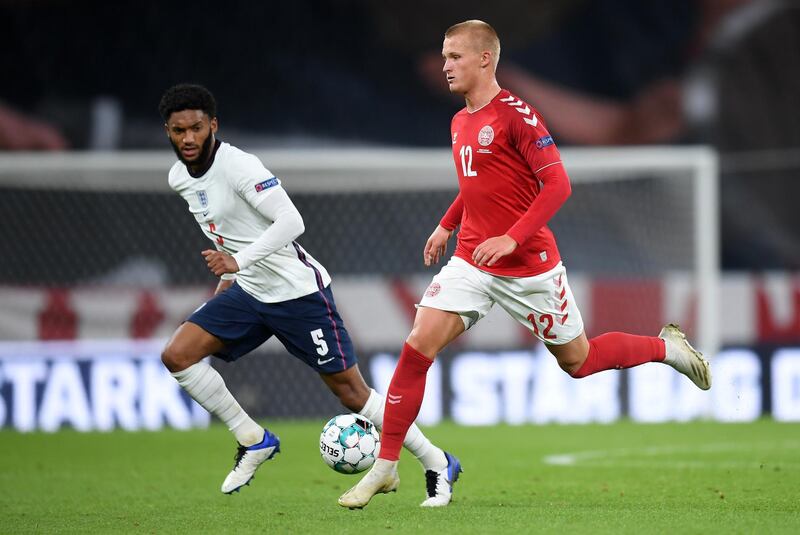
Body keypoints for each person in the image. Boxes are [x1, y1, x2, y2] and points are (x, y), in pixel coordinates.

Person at [338, 20, 711, 509]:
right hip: (472, 260)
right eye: (445, 57)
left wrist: (511, 237)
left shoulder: (518, 116)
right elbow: (478, 187)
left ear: (485, 59)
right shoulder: (460, 121)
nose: (446, 66)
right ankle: (385, 468)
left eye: (454, 57)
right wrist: (446, 224)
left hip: (528, 266)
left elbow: (558, 185)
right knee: (416, 348)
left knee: (579, 361)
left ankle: (665, 348)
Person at [158, 83, 455, 506]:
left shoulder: (240, 166)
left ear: (213, 126)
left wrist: (239, 263)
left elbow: (291, 221)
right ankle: (253, 438)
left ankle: (437, 461)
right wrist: (230, 279)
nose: (188, 138)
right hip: (248, 291)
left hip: (297, 293)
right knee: (177, 355)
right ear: (167, 131)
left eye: (196, 128)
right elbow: (225, 233)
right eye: (177, 130)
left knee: (351, 393)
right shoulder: (178, 178)